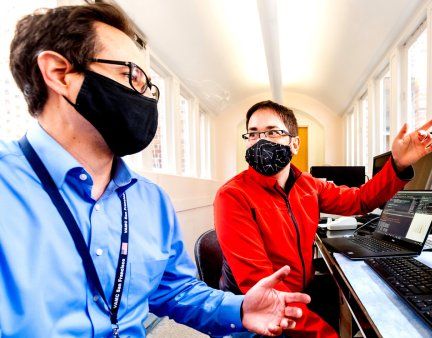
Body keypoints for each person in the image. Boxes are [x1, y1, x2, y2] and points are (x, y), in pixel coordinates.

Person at [0, 4, 310, 337]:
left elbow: (174, 290)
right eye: (131, 76)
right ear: (60, 74)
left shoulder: (150, 201)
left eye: (149, 85)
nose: (146, 97)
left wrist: (239, 307)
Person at [214, 100, 432, 337]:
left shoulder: (308, 185)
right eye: (253, 134)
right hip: (255, 315)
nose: (261, 141)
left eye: (273, 132)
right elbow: (266, 295)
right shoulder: (233, 196)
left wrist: (398, 164)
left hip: (298, 294)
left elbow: (360, 200)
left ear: (294, 143)